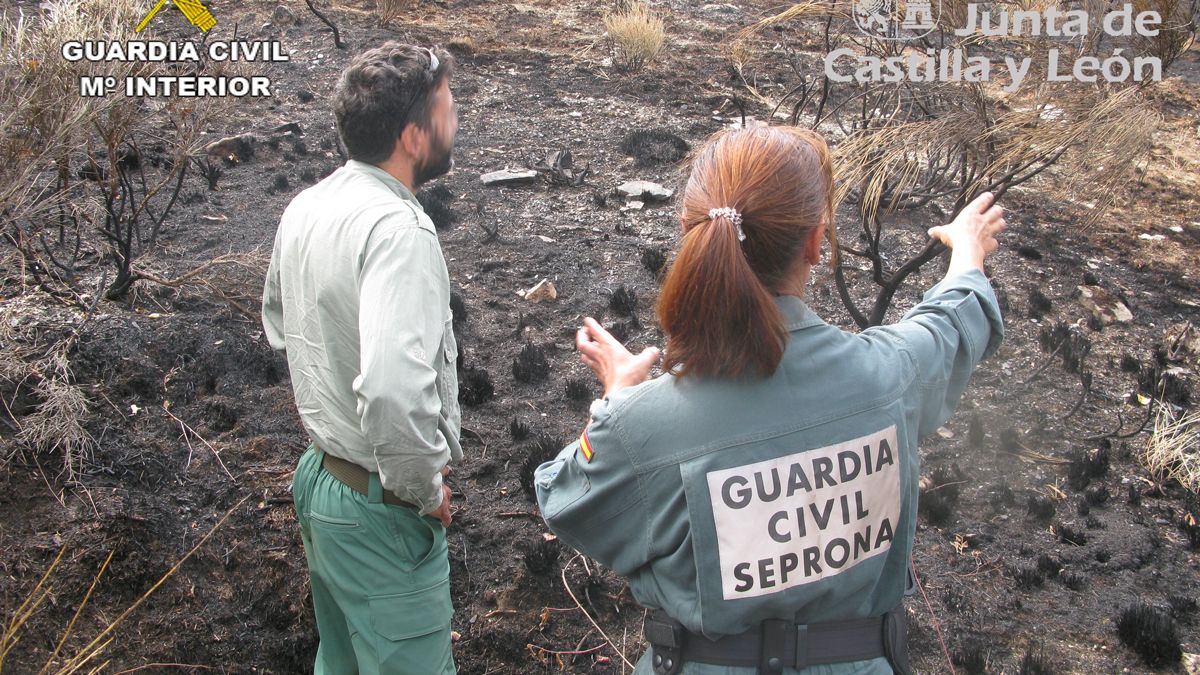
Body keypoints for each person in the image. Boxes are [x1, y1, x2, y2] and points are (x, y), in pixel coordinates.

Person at [535, 126, 1005, 675]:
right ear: (814, 242)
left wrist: (618, 401)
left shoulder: (644, 428)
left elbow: (565, 498)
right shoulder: (890, 376)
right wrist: (967, 251)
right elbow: (950, 323)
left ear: (692, 235)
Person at [262, 42, 461, 674]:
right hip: (381, 512)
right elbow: (395, 393)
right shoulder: (400, 231)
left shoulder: (308, 206)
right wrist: (421, 492)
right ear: (412, 137)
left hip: (322, 483)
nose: (456, 126)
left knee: (341, 662)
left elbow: (279, 323)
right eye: (448, 113)